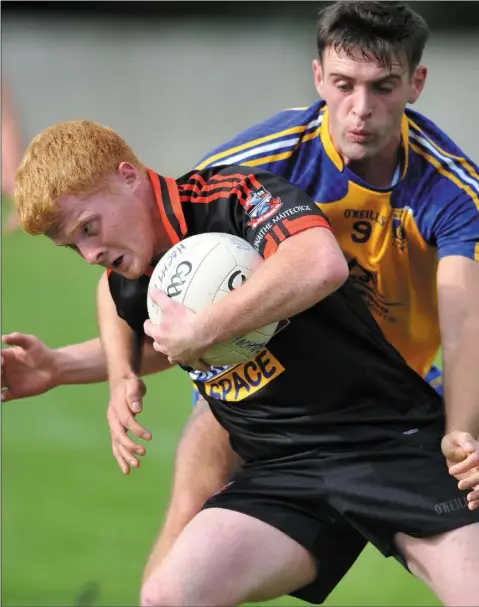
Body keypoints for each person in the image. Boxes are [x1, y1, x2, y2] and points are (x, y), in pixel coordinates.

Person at [3, 0, 479, 595]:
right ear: (317, 79)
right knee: (189, 507)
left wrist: (463, 429)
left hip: (396, 392)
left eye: (382, 87)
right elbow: (145, 281)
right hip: (280, 415)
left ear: (415, 84)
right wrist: (92, 368)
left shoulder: (451, 188)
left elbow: (461, 324)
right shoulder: (260, 157)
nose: (360, 109)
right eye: (342, 85)